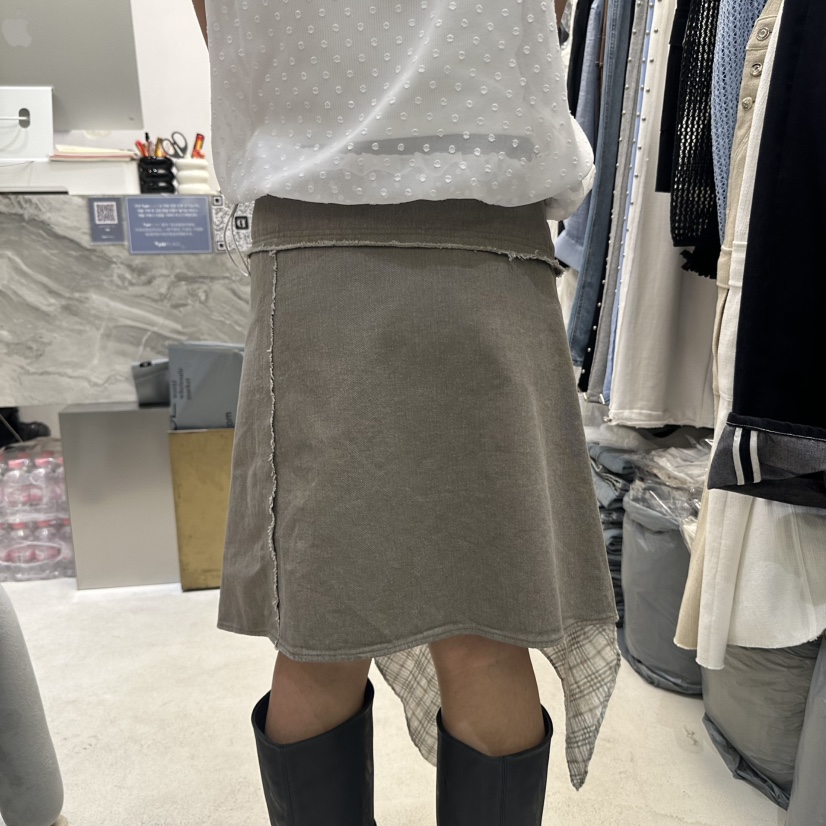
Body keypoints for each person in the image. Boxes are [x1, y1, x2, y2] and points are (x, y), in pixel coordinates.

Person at [191, 0, 620, 822]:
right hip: (490, 247)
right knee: (488, 631)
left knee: (320, 638)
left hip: (317, 242)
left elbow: (221, 25)